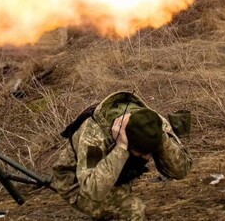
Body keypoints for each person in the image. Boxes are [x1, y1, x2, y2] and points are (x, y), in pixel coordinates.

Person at [51, 91, 192, 220]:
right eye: (142, 154)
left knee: (119, 200)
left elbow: (181, 170)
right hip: (75, 182)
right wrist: (121, 148)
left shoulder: (153, 123)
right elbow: (92, 190)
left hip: (114, 176)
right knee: (133, 210)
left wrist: (161, 140)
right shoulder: (93, 136)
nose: (147, 158)